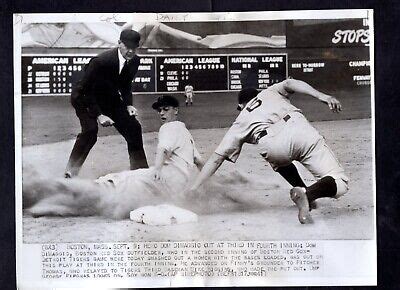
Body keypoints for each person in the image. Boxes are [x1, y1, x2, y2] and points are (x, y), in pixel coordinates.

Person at [190, 78, 349, 224]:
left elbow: (216, 159)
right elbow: (290, 83)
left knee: (279, 163)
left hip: (271, 146)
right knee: (339, 181)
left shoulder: (239, 121)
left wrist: (193, 189)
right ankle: (307, 194)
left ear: (241, 106)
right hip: (298, 128)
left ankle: (302, 191)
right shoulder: (270, 91)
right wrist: (322, 96)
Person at [25, 95, 204, 219]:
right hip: (174, 187)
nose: (162, 113)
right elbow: (200, 162)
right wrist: (201, 185)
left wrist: (157, 169)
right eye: (160, 110)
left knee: (115, 182)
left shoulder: (169, 128)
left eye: (166, 109)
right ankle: (60, 203)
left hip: (162, 178)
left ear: (176, 111)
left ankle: (53, 196)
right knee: (123, 189)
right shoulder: (187, 134)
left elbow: (163, 149)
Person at [64, 29, 148, 178]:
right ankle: (70, 172)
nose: (130, 51)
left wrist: (128, 104)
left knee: (134, 127)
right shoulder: (101, 61)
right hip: (84, 98)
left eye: (134, 48)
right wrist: (99, 115)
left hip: (109, 98)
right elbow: (87, 91)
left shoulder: (135, 61)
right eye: (127, 46)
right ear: (119, 43)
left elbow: (126, 85)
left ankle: (140, 173)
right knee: (90, 131)